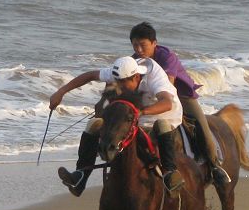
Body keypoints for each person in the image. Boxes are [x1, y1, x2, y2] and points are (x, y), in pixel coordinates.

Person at [49, 56, 185, 197]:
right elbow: (89, 76)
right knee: (94, 124)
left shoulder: (154, 76)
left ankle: (170, 174)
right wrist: (61, 92)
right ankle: (80, 176)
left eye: (123, 83)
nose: (119, 86)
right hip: (133, 116)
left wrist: (141, 112)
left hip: (163, 114)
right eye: (117, 82)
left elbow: (167, 103)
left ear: (136, 77)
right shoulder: (120, 72)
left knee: (162, 125)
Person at [129, 22, 231, 185]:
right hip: (151, 97)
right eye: (135, 45)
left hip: (181, 96)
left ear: (154, 43)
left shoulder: (166, 56)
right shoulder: (134, 61)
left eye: (143, 45)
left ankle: (215, 166)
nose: (139, 50)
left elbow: (168, 84)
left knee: (201, 126)